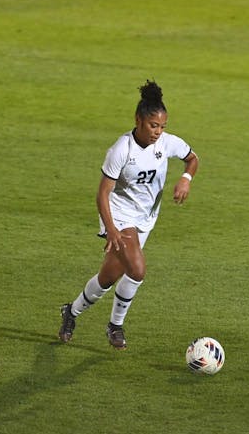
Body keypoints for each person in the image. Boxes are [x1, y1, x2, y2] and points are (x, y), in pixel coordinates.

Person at [58, 81, 200, 349]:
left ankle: (71, 312)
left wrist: (185, 179)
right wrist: (111, 228)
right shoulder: (121, 149)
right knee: (137, 269)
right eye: (153, 126)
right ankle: (115, 325)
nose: (158, 132)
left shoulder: (168, 144)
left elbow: (192, 158)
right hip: (119, 215)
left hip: (145, 219)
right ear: (138, 120)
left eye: (162, 126)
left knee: (108, 277)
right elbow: (102, 194)